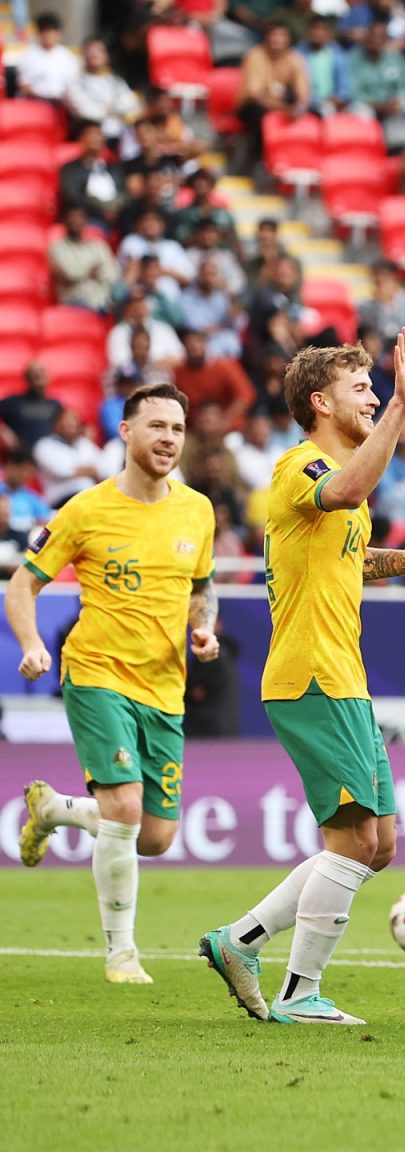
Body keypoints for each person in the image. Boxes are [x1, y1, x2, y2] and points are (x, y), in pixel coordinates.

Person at [198, 327, 405, 1026]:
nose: (373, 397)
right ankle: (299, 991)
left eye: (376, 387)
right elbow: (345, 490)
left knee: (379, 846)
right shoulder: (300, 469)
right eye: (361, 388)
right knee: (352, 842)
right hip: (311, 674)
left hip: (346, 677)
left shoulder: (344, 484)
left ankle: (238, 940)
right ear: (319, 401)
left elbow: (353, 553)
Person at [9, 384, 219, 985]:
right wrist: (31, 644)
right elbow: (23, 584)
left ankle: (54, 809)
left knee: (153, 836)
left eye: (177, 429)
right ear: (125, 432)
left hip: (165, 687)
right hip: (97, 671)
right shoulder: (85, 510)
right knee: (124, 806)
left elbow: (201, 587)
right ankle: (121, 954)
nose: (168, 439)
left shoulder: (198, 510)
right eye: (156, 426)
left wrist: (204, 627)